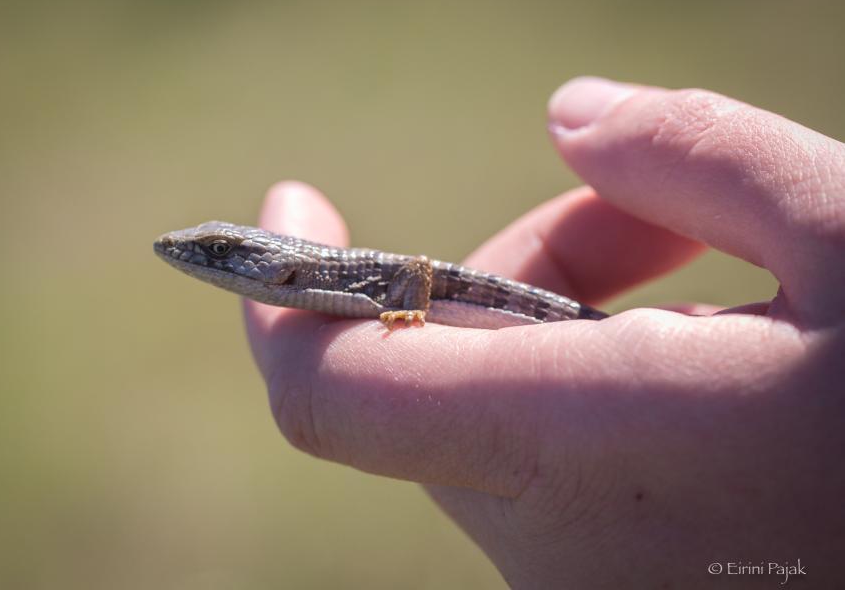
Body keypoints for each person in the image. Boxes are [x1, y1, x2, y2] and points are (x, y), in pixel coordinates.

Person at [242, 77, 845, 588]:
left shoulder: (354, 280)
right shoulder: (319, 281)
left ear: (284, 267)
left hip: (545, 318)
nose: (199, 259)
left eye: (223, 252)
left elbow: (416, 273)